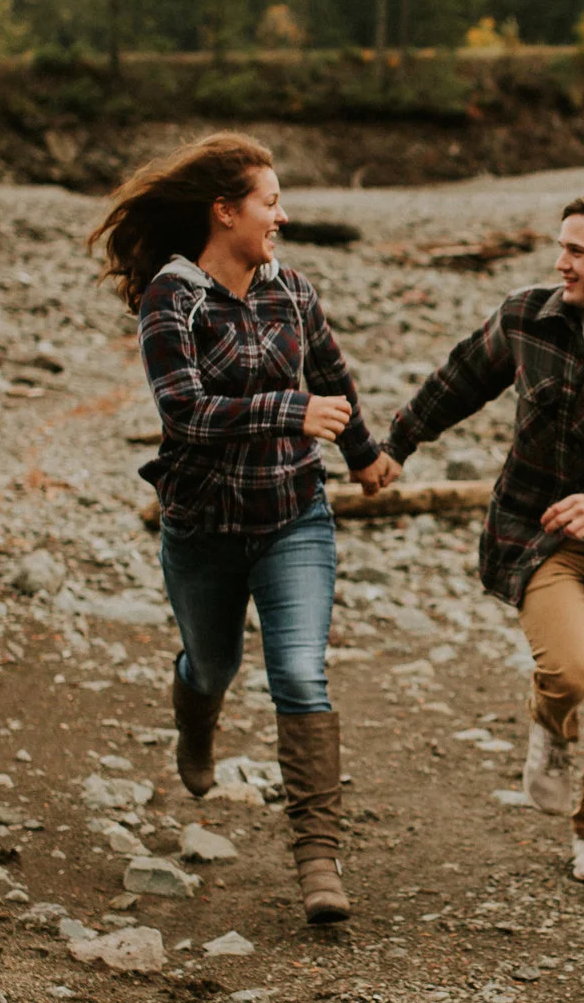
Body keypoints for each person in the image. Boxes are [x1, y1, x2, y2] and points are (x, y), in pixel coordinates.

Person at [369, 187, 584, 884]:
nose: (559, 261)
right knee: (570, 670)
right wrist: (397, 443)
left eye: (575, 250)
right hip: (537, 536)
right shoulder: (528, 317)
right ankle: (550, 721)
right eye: (560, 246)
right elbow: (460, 379)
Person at [88, 133, 396, 925]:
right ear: (224, 212)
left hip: (295, 514)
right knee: (214, 662)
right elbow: (185, 414)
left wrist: (364, 457)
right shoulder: (173, 297)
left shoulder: (292, 290)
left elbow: (330, 374)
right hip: (202, 526)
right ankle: (196, 718)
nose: (283, 216)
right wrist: (289, 410)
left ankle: (318, 859)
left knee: (300, 674)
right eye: (270, 202)